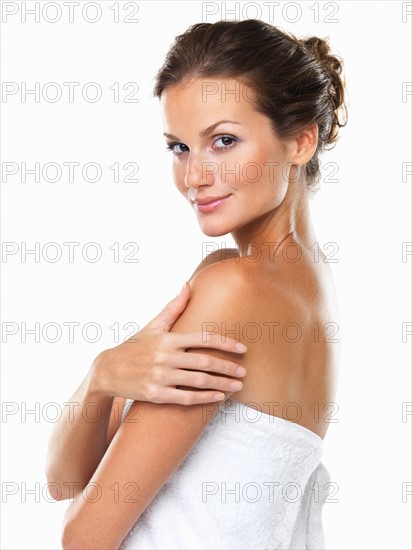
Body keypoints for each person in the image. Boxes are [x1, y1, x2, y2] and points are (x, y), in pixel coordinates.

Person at [48, 18, 347, 549]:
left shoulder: (233, 289)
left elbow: (81, 537)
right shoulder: (307, 287)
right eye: (179, 147)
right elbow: (68, 480)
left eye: (223, 141)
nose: (195, 176)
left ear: (301, 141)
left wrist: (101, 374)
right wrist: (101, 379)